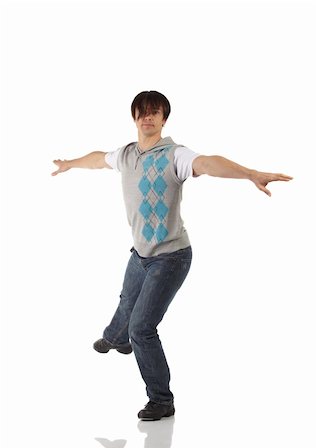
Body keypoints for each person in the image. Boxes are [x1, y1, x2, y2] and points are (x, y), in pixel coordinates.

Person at [52, 90, 293, 421]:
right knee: (126, 301)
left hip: (171, 257)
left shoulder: (175, 155)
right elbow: (97, 158)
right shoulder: (125, 155)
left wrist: (250, 172)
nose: (147, 117)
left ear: (164, 119)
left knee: (142, 327)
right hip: (141, 254)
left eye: (155, 112)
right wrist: (70, 164)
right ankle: (115, 339)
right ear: (135, 117)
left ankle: (161, 400)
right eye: (142, 112)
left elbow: (208, 163)